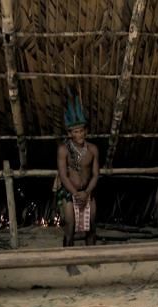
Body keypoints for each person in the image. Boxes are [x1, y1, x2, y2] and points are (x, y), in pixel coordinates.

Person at [56, 94, 99, 247]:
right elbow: (63, 176)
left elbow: (95, 174)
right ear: (69, 133)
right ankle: (68, 257)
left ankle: (91, 257)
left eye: (81, 131)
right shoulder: (64, 150)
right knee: (70, 227)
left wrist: (86, 193)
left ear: (85, 131)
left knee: (91, 227)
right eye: (75, 132)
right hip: (69, 192)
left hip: (87, 191)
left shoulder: (93, 149)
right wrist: (75, 193)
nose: (79, 134)